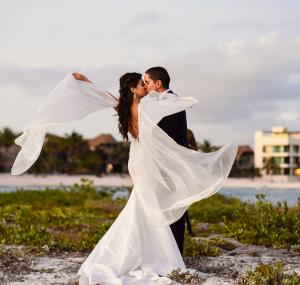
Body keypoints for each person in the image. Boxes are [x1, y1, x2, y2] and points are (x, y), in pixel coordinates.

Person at [11, 70, 238, 285]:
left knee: (144, 205)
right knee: (148, 205)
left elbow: (104, 96)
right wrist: (185, 100)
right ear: (132, 89)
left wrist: (86, 81)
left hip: (138, 161)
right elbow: (165, 106)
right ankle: (153, 254)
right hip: (146, 162)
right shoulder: (143, 108)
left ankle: (144, 251)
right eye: (142, 84)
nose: (145, 87)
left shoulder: (126, 106)